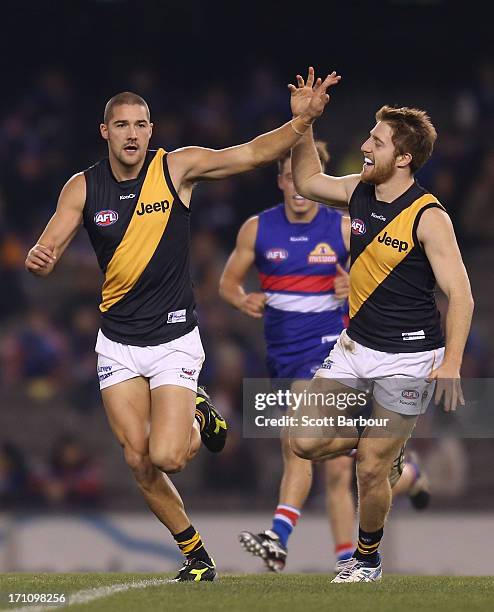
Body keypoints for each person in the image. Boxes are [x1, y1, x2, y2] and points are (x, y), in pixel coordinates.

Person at [24, 70, 335, 582]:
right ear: (105, 132)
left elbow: (252, 153)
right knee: (137, 460)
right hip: (118, 343)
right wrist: (42, 256)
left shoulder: (176, 168)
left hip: (172, 340)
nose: (131, 133)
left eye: (141, 125)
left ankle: (197, 411)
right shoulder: (83, 186)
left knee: (168, 456)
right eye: (121, 124)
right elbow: (49, 246)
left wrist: (303, 119)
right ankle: (196, 555)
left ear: (151, 130)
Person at [287, 69, 474, 582]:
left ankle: (366, 560)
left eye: (377, 140)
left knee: (369, 470)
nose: (365, 145)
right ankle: (384, 445)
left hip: (410, 356)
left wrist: (452, 363)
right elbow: (305, 181)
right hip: (356, 347)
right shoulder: (357, 192)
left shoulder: (428, 217)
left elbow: (461, 294)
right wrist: (303, 122)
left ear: (405, 157)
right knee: (302, 439)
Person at [220, 139, 431, 573]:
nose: (297, 187)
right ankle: (407, 476)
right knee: (349, 465)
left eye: (303, 178)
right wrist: (240, 299)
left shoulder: (342, 226)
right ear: (281, 180)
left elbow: (380, 275)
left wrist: (350, 282)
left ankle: (282, 539)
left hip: (330, 348)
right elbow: (226, 283)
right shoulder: (257, 229)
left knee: (308, 447)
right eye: (287, 176)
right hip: (281, 353)